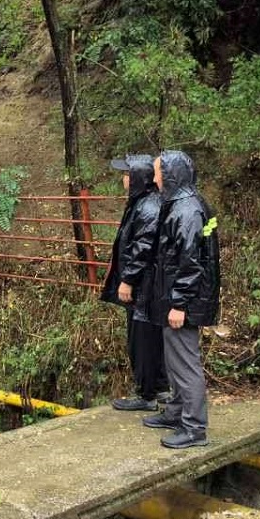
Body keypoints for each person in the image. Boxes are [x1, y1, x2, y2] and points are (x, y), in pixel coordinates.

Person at [142, 149, 220, 449]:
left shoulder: (186, 210)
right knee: (175, 361)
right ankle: (176, 413)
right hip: (174, 298)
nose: (155, 177)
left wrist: (179, 304)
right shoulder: (185, 203)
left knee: (185, 364)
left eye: (159, 172)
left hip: (182, 302)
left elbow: (191, 263)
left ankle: (194, 428)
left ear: (172, 175)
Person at [100, 155, 169, 411]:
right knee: (150, 338)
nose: (123, 179)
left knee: (141, 340)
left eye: (127, 174)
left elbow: (143, 246)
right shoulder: (143, 202)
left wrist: (128, 280)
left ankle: (146, 395)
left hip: (144, 287)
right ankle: (159, 388)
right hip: (149, 286)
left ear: (138, 177)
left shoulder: (148, 206)